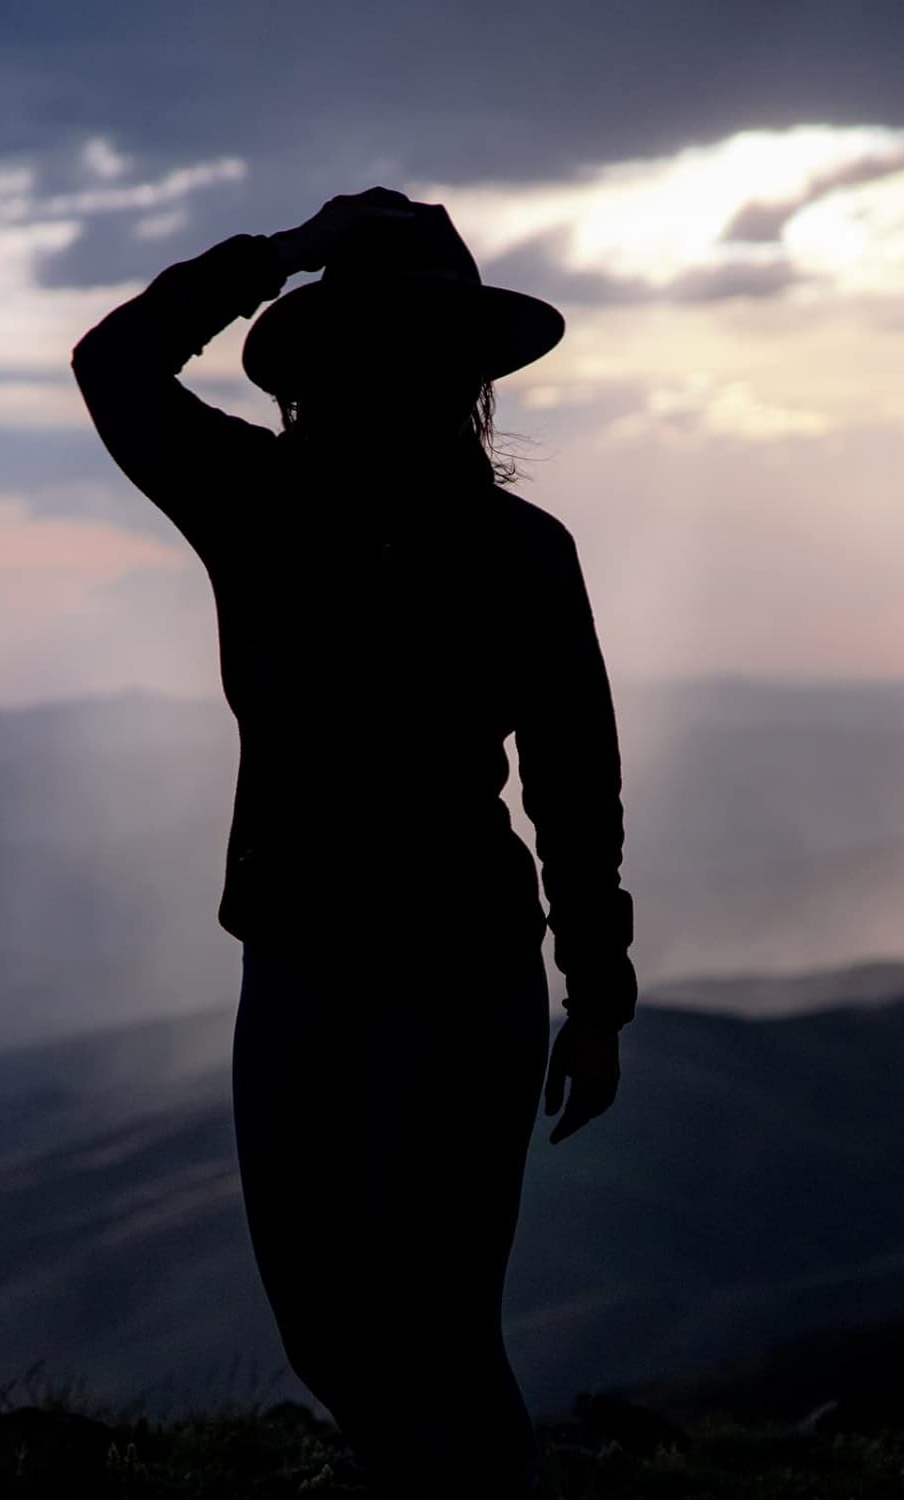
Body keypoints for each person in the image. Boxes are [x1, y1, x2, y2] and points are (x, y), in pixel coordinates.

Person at [71, 187, 639, 1500]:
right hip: (306, 960)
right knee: (328, 1325)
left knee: (432, 1330)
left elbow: (574, 782)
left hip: (444, 968)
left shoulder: (499, 550)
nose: (401, 372)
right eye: (374, 341)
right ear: (325, 366)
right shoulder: (263, 503)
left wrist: (598, 992)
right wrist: (276, 256)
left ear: (467, 374)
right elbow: (110, 366)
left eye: (427, 347)